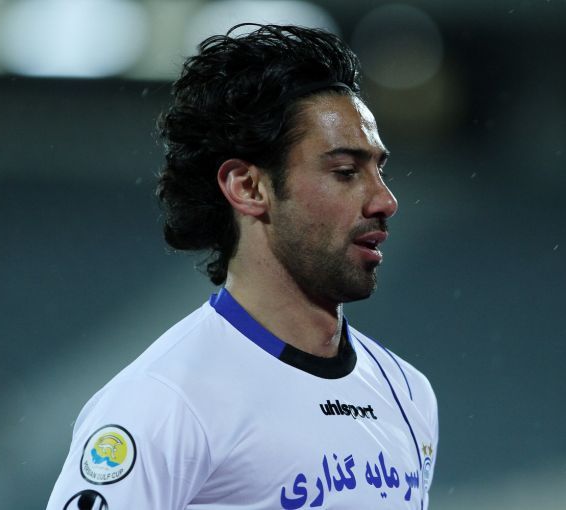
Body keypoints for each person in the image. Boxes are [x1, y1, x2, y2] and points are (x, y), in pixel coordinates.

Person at [47, 24, 438, 510]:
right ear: (248, 188)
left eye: (380, 170)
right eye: (345, 172)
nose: (385, 200)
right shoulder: (162, 402)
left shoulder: (407, 392)